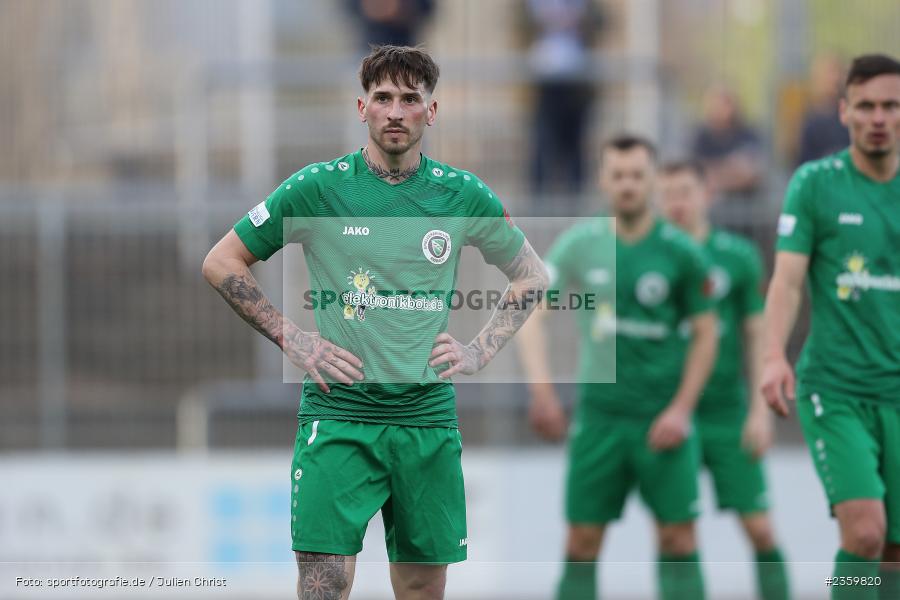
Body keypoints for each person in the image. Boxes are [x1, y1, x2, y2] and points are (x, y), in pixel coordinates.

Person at [202, 45, 548, 600]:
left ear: (430, 113)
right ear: (362, 107)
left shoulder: (461, 194)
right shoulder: (318, 187)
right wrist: (292, 336)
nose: (395, 111)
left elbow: (532, 277)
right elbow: (221, 261)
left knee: (418, 589)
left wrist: (478, 351)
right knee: (324, 585)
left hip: (426, 421)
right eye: (383, 98)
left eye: (410, 99)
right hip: (338, 417)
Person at [518, 135, 718, 599]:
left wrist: (682, 409)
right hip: (600, 421)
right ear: (604, 180)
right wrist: (542, 391)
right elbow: (532, 317)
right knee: (582, 541)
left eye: (637, 175)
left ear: (653, 181)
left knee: (678, 539)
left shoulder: (680, 252)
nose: (628, 185)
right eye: (618, 175)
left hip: (663, 422)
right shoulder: (581, 244)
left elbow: (707, 333)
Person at [761, 53, 900, 600]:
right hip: (837, 388)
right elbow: (787, 282)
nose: (878, 117)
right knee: (865, 532)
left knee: (892, 551)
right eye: (865, 105)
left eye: (891, 105)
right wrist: (774, 355)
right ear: (843, 112)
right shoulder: (815, 184)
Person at [659, 159, 790, 600]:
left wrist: (759, 411)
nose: (677, 203)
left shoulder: (736, 257)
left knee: (760, 527)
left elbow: (757, 334)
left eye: (685, 192)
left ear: (706, 194)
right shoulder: (650, 258)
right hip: (668, 413)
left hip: (727, 412)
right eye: (669, 194)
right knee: (674, 534)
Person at [691, 85, 765, 201]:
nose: (716, 109)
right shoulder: (701, 137)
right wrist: (730, 170)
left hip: (745, 206)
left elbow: (750, 173)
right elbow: (696, 171)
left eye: (721, 104)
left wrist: (715, 173)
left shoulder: (747, 135)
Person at [796, 53, 850, 166]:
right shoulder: (810, 120)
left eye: (837, 72)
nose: (834, 79)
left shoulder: (851, 115)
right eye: (829, 73)